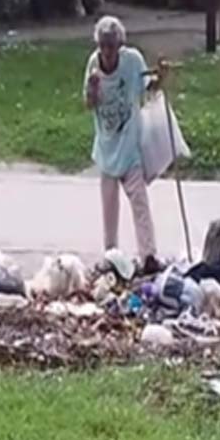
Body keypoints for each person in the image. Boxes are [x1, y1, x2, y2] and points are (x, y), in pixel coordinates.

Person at [83, 16, 161, 274]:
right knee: (109, 207)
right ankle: (111, 256)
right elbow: (89, 104)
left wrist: (160, 78)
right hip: (106, 146)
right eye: (103, 46)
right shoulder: (93, 64)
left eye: (111, 47)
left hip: (129, 146)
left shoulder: (132, 61)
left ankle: (148, 255)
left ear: (119, 46)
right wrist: (93, 90)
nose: (107, 53)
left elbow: (148, 86)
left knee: (139, 201)